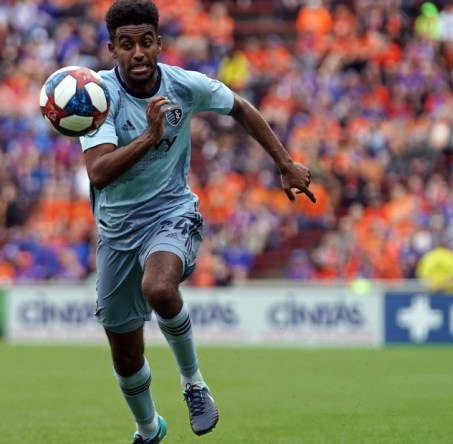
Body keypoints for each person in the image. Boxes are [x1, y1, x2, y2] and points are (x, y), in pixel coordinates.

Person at [80, 1, 316, 442]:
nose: (138, 53)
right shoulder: (96, 98)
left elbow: (240, 107)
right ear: (112, 49)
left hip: (172, 213)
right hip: (116, 232)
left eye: (146, 42)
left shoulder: (185, 85)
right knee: (126, 357)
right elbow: (99, 172)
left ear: (159, 44)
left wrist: (284, 163)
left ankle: (194, 384)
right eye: (127, 45)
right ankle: (149, 429)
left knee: (158, 287)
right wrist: (151, 136)